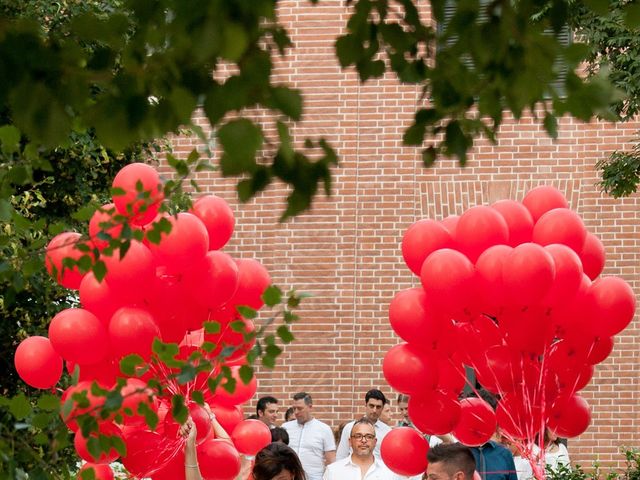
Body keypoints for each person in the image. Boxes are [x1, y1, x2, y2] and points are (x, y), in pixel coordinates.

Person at [324, 418, 406, 479]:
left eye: (369, 436)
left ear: (375, 442)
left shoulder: (390, 473)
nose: (363, 440)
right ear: (350, 441)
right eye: (358, 436)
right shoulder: (333, 471)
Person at [283, 392, 336, 480]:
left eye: (300, 408)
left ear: (310, 407)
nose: (296, 412)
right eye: (294, 408)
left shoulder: (324, 429)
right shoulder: (285, 427)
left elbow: (331, 460)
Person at [336, 389, 392, 462]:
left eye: (378, 407)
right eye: (371, 406)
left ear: (382, 408)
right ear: (365, 405)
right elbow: (341, 456)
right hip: (353, 470)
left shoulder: (387, 432)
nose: (374, 410)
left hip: (378, 471)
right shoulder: (350, 427)